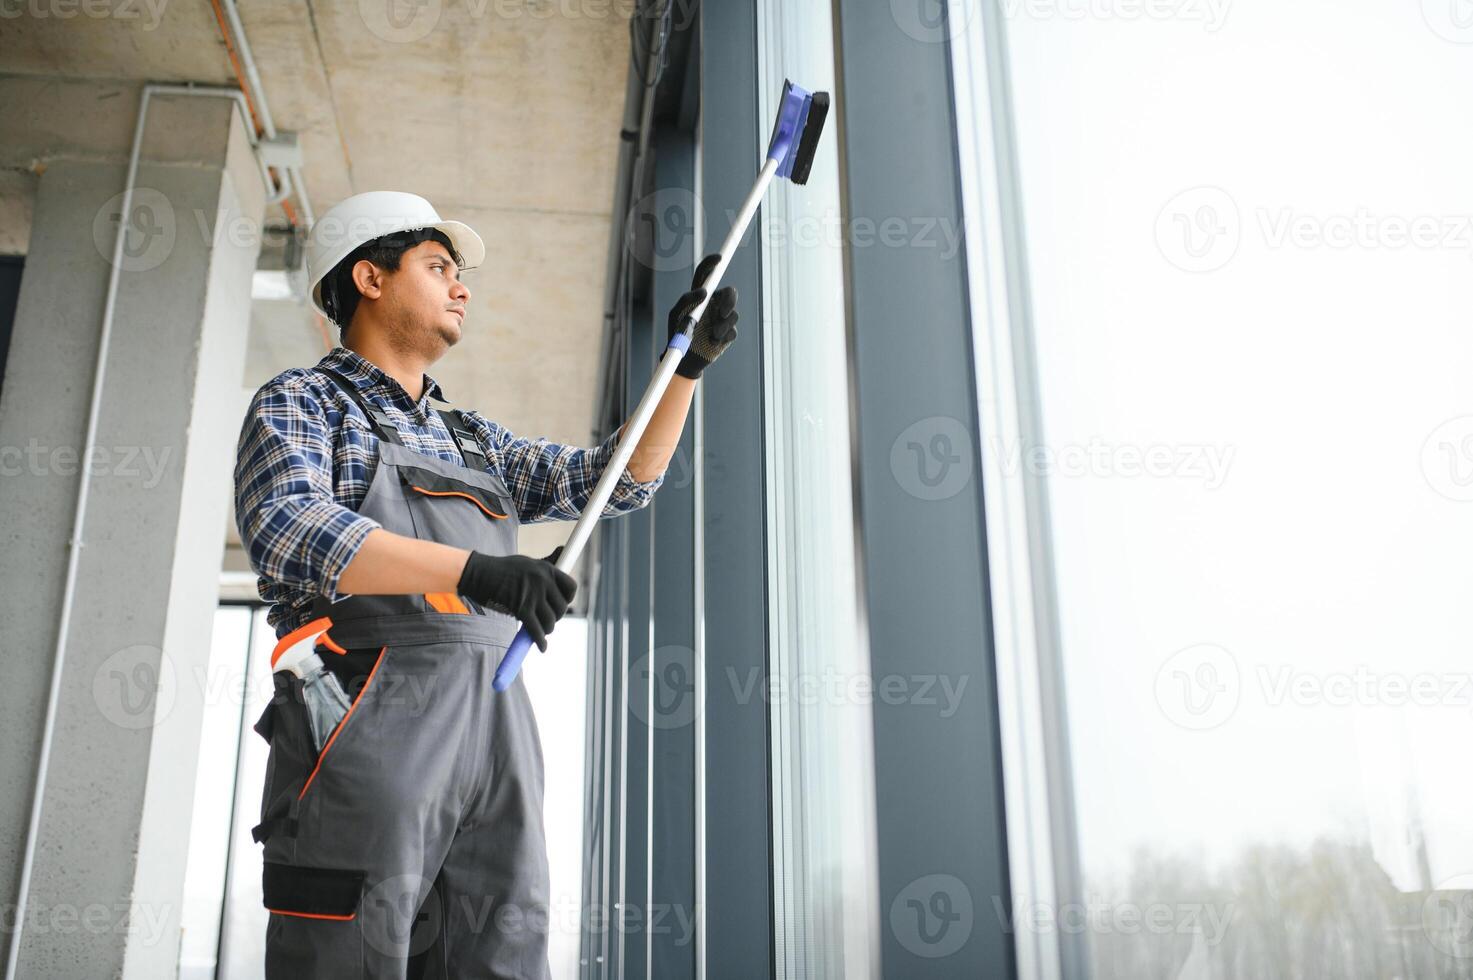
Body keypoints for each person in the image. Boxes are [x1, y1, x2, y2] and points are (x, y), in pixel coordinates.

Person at [232, 190, 737, 978]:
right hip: (361, 715)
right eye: (437, 268)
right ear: (369, 277)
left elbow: (615, 482)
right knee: (345, 951)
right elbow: (293, 528)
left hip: (495, 726)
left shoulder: (473, 440)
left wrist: (685, 367)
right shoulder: (303, 404)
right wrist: (478, 573)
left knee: (499, 949)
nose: (461, 286)